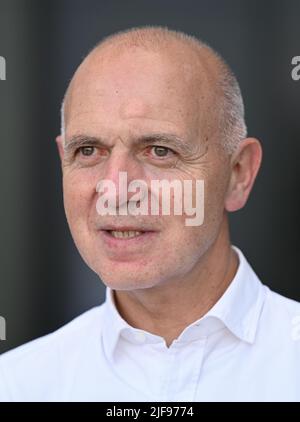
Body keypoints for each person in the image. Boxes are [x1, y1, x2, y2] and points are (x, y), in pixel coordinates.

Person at [0, 26, 299, 402]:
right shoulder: (17, 386)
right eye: (89, 151)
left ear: (238, 175)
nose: (116, 189)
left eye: (159, 151)